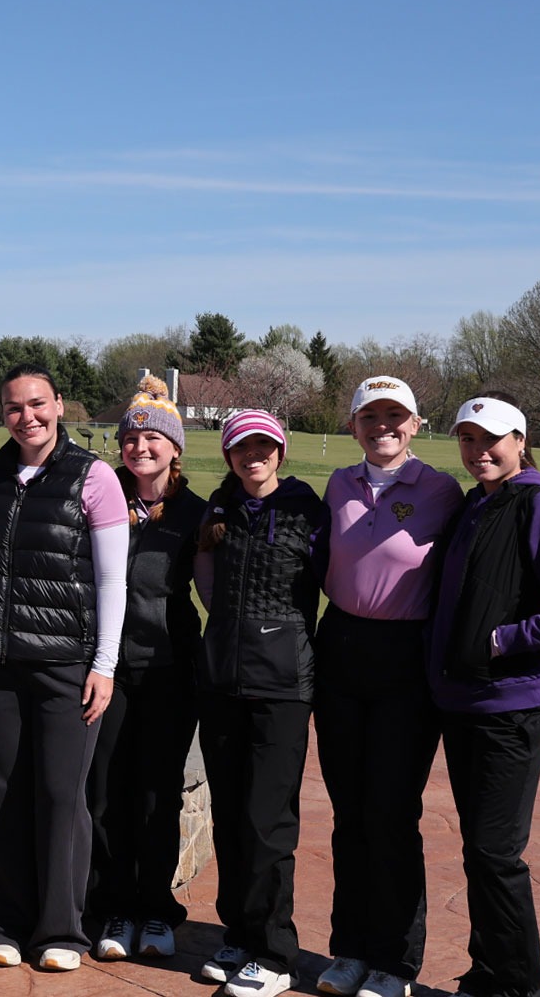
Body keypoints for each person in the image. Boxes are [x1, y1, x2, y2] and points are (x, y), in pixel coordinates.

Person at [427, 393, 540, 997]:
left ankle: (521, 987)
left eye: (491, 439)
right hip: (464, 703)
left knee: (497, 853)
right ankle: (489, 971)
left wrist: (506, 639)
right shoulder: (477, 503)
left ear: (520, 441)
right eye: (468, 440)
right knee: (481, 850)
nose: (479, 451)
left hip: (513, 706)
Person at [0, 364, 128, 973]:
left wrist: (103, 664)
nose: (26, 417)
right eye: (13, 407)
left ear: (59, 405)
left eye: (37, 404)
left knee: (62, 794)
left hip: (67, 664)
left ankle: (61, 929)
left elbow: (113, 578)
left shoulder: (95, 476)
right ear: (0, 413)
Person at [313, 377, 464, 997]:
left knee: (392, 814)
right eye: (370, 416)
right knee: (350, 814)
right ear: (353, 426)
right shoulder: (337, 485)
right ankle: (349, 950)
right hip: (341, 646)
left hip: (406, 656)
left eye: (395, 416)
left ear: (416, 423)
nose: (383, 426)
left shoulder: (441, 491)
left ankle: (394, 962)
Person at [191, 409, 328, 997]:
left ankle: (275, 953)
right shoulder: (218, 510)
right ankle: (240, 935)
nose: (254, 457)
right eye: (242, 448)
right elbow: (205, 584)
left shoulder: (307, 509)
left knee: (267, 821)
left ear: (281, 450)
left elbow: (333, 584)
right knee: (229, 816)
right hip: (222, 679)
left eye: (264, 447)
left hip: (282, 686)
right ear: (228, 456)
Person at [88, 374, 205, 963]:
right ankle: (113, 905)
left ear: (174, 447)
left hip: (169, 667)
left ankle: (156, 908)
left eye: (153, 439)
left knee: (158, 794)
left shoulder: (198, 512)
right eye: (131, 439)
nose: (141, 448)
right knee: (107, 790)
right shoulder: (102, 499)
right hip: (108, 667)